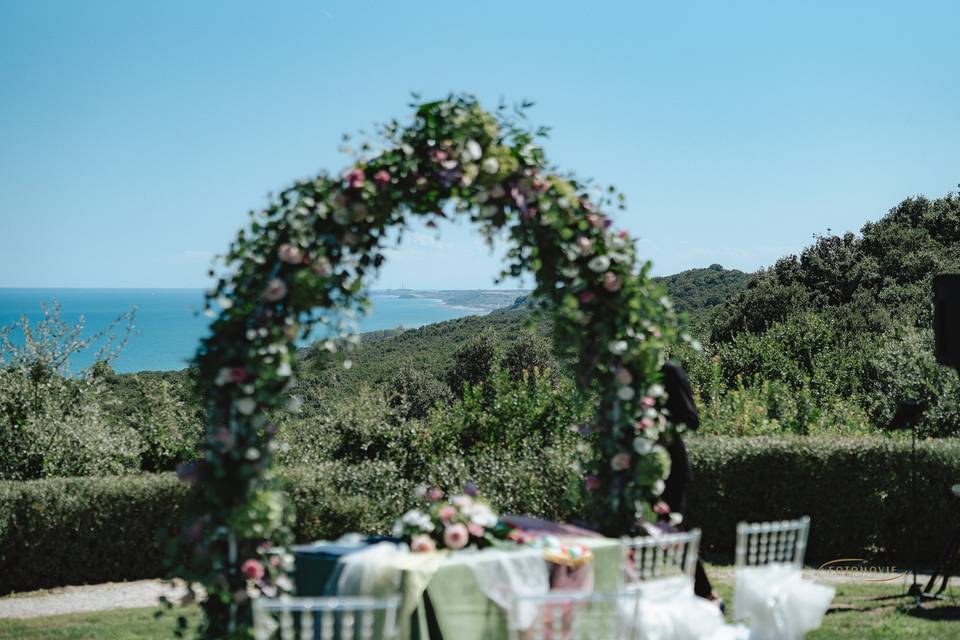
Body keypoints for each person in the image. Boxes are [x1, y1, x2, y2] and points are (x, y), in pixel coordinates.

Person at [656, 361, 722, 608]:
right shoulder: (627, 377)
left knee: (674, 535)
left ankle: (706, 595)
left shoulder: (669, 372)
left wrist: (657, 420)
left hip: (671, 468)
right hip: (637, 468)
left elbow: (692, 418)